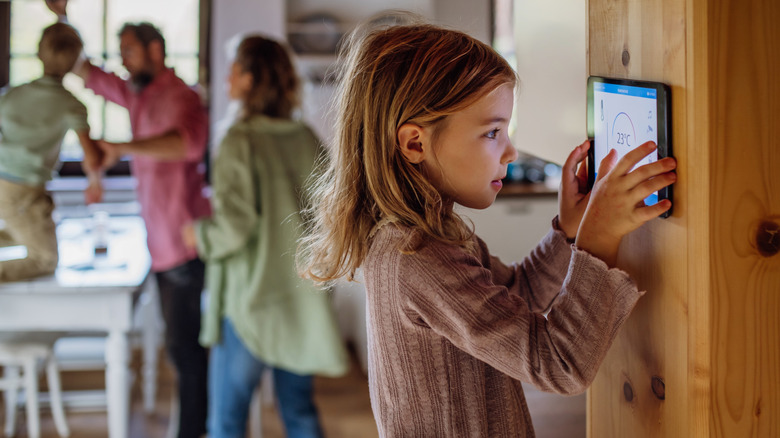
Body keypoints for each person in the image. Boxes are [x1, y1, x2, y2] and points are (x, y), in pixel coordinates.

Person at [297, 21, 678, 437]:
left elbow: (516, 296)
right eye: (492, 132)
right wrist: (598, 240)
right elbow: (560, 365)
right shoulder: (417, 257)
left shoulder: (429, 234)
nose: (511, 151)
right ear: (414, 144)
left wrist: (569, 232)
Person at [50, 3, 212, 436]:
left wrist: (123, 147)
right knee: (179, 351)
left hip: (185, 243)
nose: (123, 59)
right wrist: (63, 19)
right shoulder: (137, 92)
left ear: (155, 49)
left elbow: (188, 146)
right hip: (158, 247)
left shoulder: (184, 96)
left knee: (186, 353)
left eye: (129, 50)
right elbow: (85, 71)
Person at [181, 35, 348, 438]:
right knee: (298, 410)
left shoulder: (240, 140)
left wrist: (199, 235)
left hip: (251, 303)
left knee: (226, 420)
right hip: (300, 298)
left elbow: (235, 227)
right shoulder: (304, 136)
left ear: (251, 79)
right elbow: (333, 212)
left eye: (235, 69)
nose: (227, 77)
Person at [0, 22, 103, 283]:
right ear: (75, 64)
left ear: (38, 54)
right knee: (45, 259)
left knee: (24, 230)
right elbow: (91, 157)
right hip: (26, 190)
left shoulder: (10, 96)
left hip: (6, 184)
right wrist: (94, 183)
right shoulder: (72, 105)